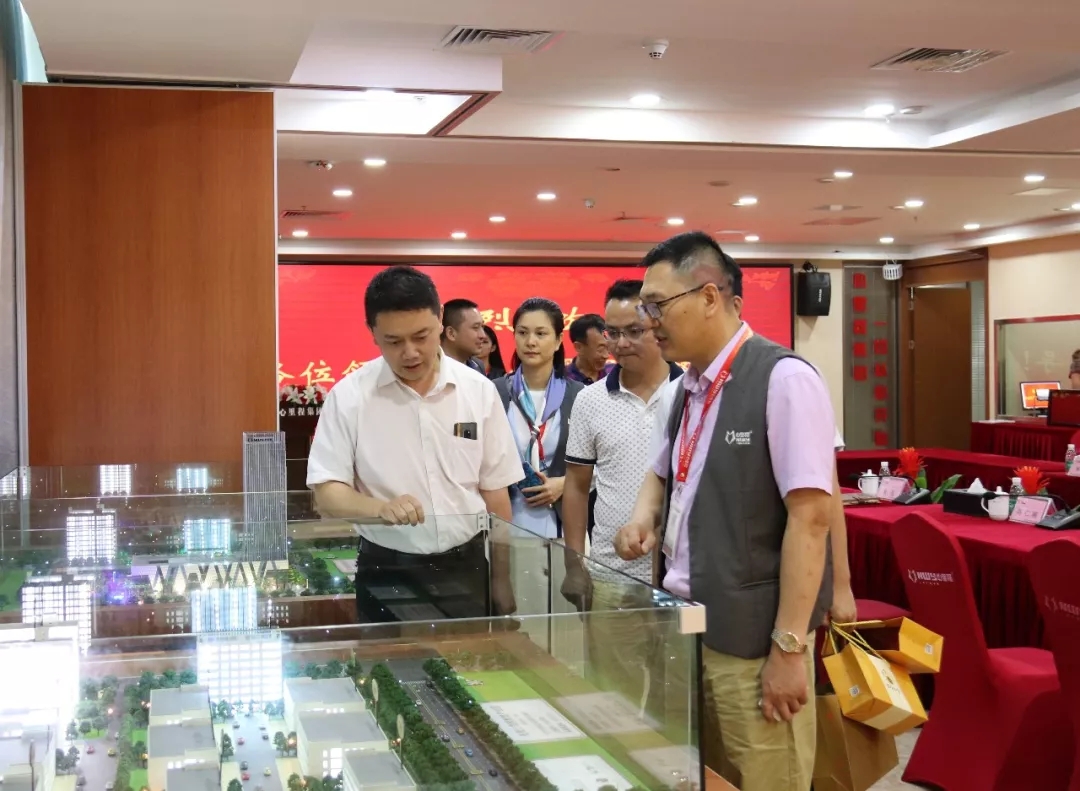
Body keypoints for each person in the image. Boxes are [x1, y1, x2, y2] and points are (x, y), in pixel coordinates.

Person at [614, 232, 835, 791]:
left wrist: (789, 648)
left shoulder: (784, 379)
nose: (649, 322)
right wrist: (642, 519)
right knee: (698, 774)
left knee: (766, 776)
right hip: (686, 624)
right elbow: (661, 474)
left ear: (709, 297)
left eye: (657, 306)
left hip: (752, 641)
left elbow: (811, 520)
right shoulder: (686, 388)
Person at [306, 266, 522, 623]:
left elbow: (496, 493)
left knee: (472, 657)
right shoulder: (349, 397)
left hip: (466, 564)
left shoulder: (478, 391)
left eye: (421, 336)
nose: (410, 353)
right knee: (387, 659)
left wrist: (502, 578)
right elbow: (327, 492)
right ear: (372, 333)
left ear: (440, 321)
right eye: (393, 341)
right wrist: (380, 509)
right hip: (386, 566)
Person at [561, 278, 684, 703]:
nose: (620, 343)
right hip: (611, 577)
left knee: (678, 703)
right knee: (613, 701)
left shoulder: (689, 394)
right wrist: (574, 564)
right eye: (612, 332)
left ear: (658, 326)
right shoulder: (591, 400)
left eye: (634, 331)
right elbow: (576, 487)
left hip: (678, 579)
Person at [493, 298, 583, 539]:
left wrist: (565, 484)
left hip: (561, 525)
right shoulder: (493, 392)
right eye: (522, 333)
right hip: (504, 521)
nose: (530, 342)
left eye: (541, 334)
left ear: (558, 340)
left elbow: (601, 463)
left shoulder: (579, 396)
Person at [440, 298, 487, 374]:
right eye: (475, 327)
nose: (483, 336)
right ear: (451, 333)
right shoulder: (430, 370)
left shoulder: (477, 365)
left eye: (482, 327)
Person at [565, 313, 613, 385]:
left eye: (608, 347)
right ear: (579, 347)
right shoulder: (561, 381)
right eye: (600, 349)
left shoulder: (615, 374)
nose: (606, 355)